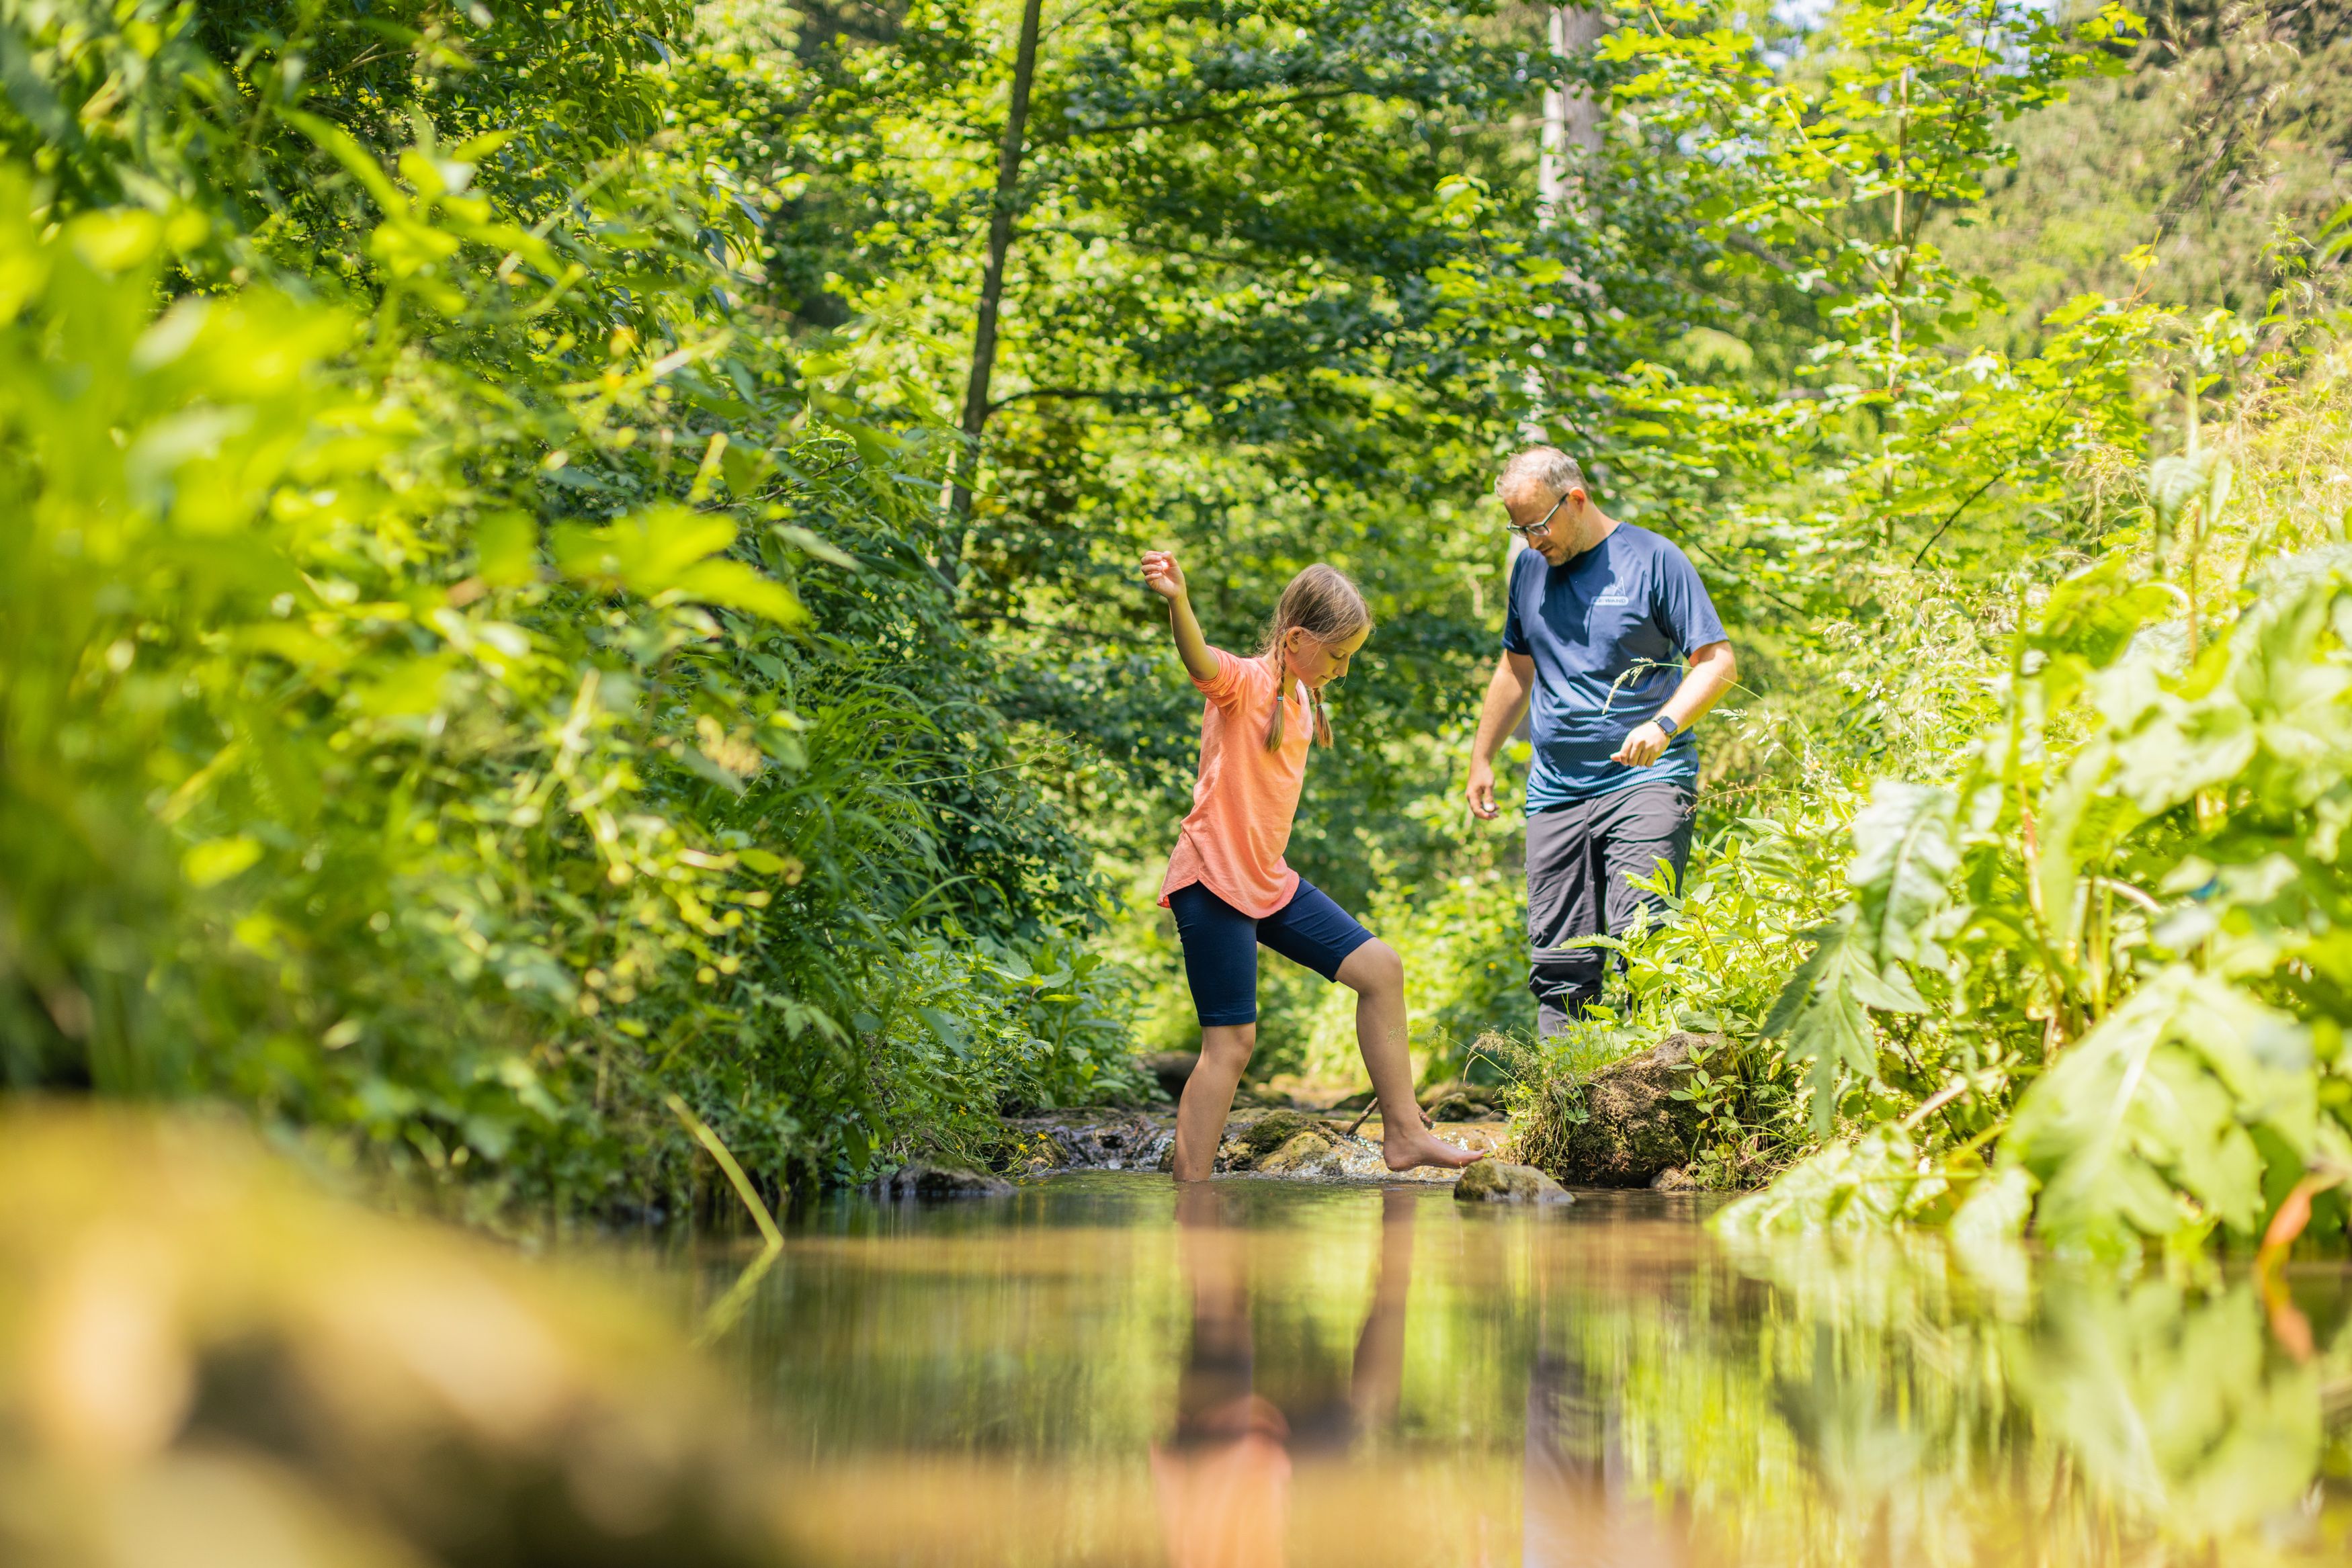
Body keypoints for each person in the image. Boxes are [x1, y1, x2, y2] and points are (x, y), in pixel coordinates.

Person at [1142, 550, 1481, 1180]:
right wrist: (1178, 601)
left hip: (1266, 881)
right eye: (1337, 654)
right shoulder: (1246, 682)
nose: (1343, 670)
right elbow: (1200, 660)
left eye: (1350, 656)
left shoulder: (1301, 698)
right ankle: (1192, 1196)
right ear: (1295, 639)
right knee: (1231, 1045)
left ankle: (1405, 1134)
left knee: (1381, 969)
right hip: (1213, 879)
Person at [1463, 448, 1736, 1036]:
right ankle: (1564, 1103)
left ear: (1577, 501)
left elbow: (1718, 662)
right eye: (1519, 527)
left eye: (1538, 524)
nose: (1532, 540)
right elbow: (1515, 669)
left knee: (1644, 940)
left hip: (1645, 782)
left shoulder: (1653, 559)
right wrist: (1481, 757)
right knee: (1560, 961)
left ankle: (1654, 1099)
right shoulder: (1530, 570)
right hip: (1555, 791)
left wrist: (1663, 725)